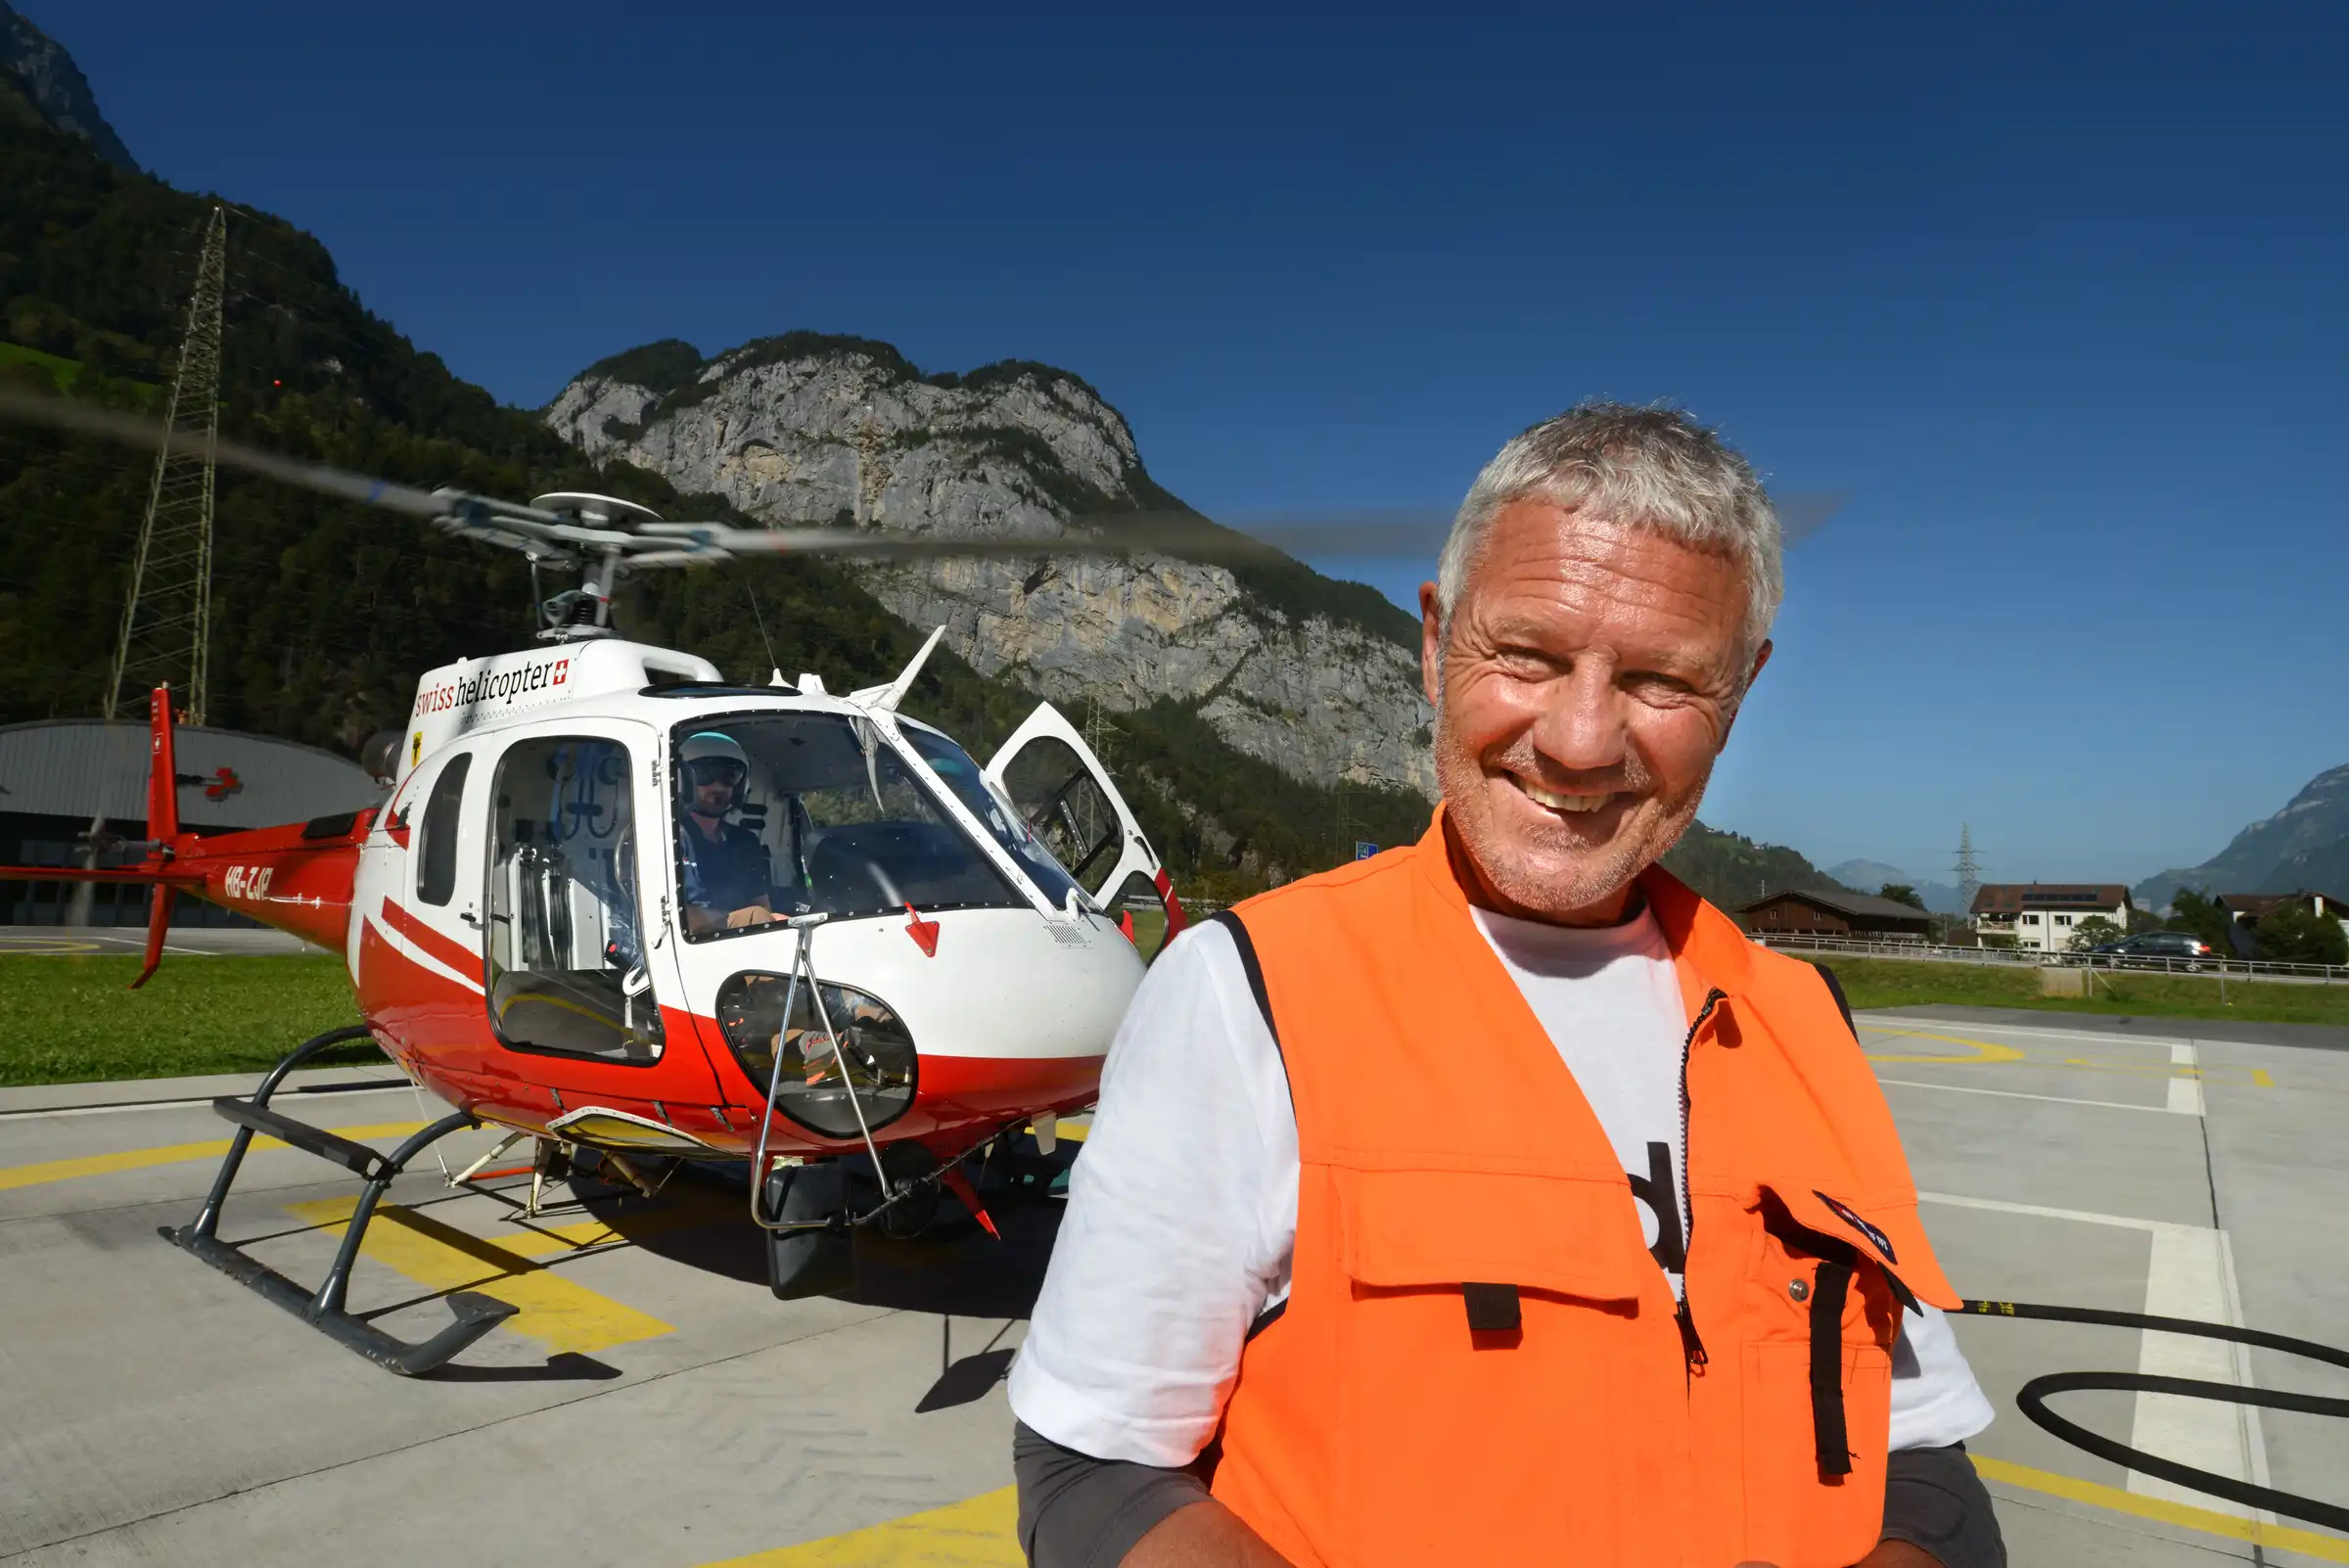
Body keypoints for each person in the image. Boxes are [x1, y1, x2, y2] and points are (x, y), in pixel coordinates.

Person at [1008, 405, 2005, 1568]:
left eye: (1662, 680)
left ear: (1740, 691)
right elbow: (1096, 1473)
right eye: (1527, 655)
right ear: (1435, 646)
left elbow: (1924, 1469)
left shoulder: (1799, 1019)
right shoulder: (1249, 993)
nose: (1581, 741)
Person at [675, 731, 777, 935]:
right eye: (706, 775)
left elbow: (762, 907)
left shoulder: (745, 842)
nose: (718, 785)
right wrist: (743, 918)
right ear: (684, 781)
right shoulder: (669, 838)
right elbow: (678, 916)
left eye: (729, 776)